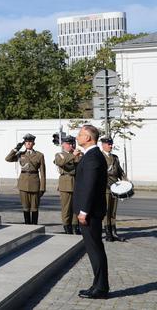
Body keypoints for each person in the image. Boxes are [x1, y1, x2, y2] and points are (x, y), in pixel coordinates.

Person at [74, 125, 109, 300]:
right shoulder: (91, 156)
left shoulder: (93, 157)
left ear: (88, 138)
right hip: (90, 211)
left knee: (95, 249)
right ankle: (97, 284)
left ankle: (101, 288)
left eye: (80, 134)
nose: (77, 136)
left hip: (90, 212)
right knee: (94, 249)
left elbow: (89, 187)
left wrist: (83, 211)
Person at [5, 134, 46, 224]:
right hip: (23, 183)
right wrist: (16, 149)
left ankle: (34, 225)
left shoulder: (39, 155)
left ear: (33, 143)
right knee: (25, 206)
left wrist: (42, 187)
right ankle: (27, 225)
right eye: (26, 142)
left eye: (30, 142)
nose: (28, 143)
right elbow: (8, 159)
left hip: (35, 183)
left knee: (34, 207)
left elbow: (43, 173)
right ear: (24, 144)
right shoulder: (20, 154)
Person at [54, 135, 81, 234]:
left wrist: (78, 155)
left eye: (72, 143)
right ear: (63, 145)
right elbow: (61, 163)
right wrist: (73, 155)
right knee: (66, 207)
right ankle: (67, 226)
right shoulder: (59, 155)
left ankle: (75, 226)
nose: (71, 145)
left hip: (76, 182)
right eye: (68, 144)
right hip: (65, 182)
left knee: (76, 207)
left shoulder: (77, 154)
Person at [101, 137, 126, 242]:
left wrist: (125, 182)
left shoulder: (115, 157)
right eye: (108, 144)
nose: (110, 146)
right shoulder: (100, 157)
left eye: (111, 144)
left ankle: (113, 231)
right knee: (107, 210)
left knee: (113, 211)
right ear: (103, 145)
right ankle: (108, 233)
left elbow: (120, 171)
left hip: (115, 187)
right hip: (105, 187)